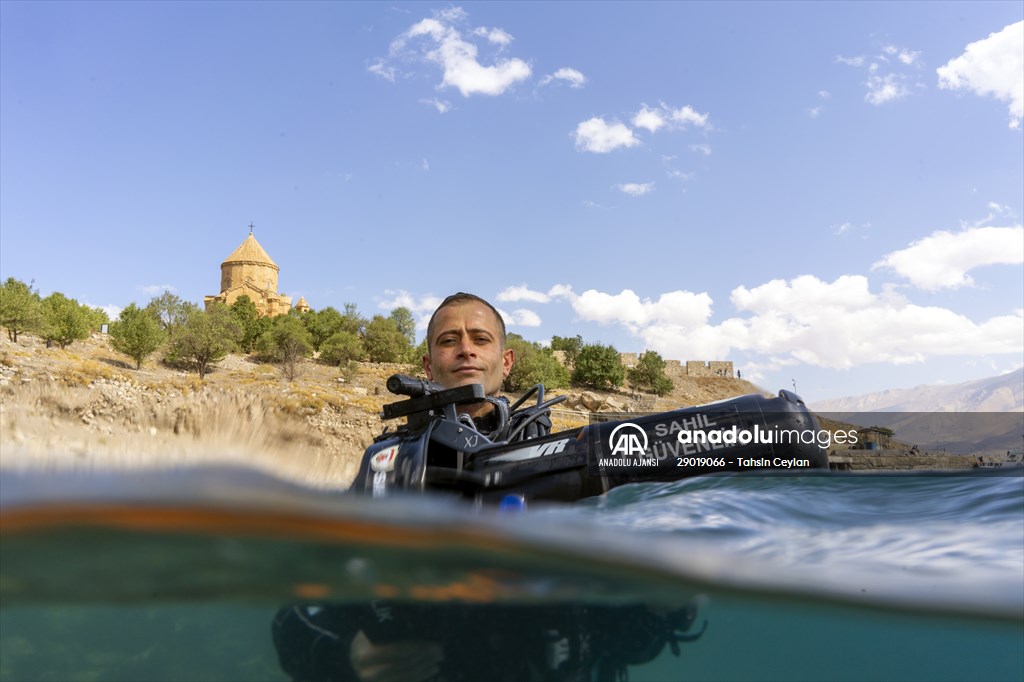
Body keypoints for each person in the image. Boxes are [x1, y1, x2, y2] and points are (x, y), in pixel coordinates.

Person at [272, 293, 703, 682]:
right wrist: (347, 655)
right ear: (427, 365)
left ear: (507, 360)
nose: (465, 349)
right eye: (448, 340)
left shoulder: (569, 460)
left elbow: (619, 637)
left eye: (480, 338)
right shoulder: (388, 468)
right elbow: (297, 616)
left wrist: (664, 604)